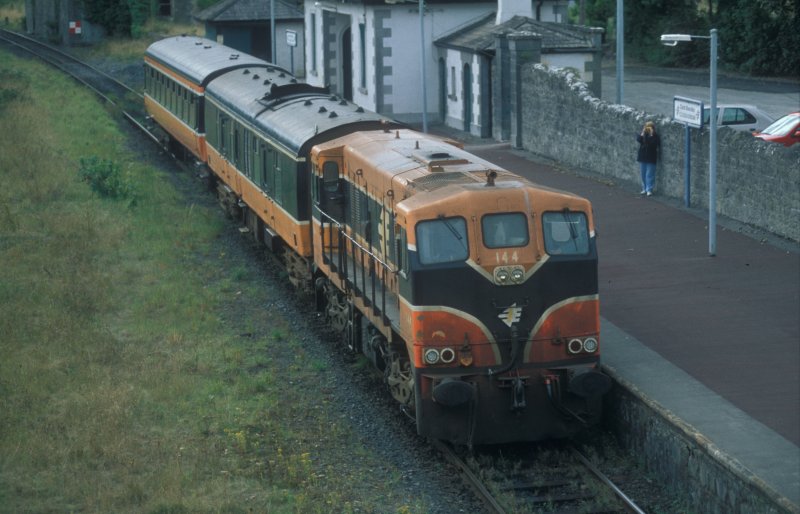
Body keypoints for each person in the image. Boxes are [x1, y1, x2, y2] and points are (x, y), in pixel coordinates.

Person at [636, 121, 660, 196]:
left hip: (651, 157)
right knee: (643, 174)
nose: (648, 128)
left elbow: (654, 144)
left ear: (653, 128)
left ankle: (649, 189)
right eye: (647, 127)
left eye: (650, 127)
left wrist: (652, 135)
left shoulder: (655, 136)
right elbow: (638, 139)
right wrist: (643, 133)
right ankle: (644, 188)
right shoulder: (644, 135)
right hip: (643, 157)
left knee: (649, 174)